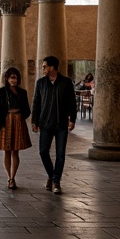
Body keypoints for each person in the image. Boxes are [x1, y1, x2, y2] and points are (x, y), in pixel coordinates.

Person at [31, 55, 77, 194]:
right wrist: (35, 121)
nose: (43, 69)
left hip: (61, 124)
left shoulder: (66, 82)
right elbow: (36, 103)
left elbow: (72, 102)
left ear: (52, 67)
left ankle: (56, 181)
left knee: (60, 154)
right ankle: (52, 176)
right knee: (43, 152)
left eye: (44, 66)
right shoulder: (40, 83)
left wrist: (72, 119)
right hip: (45, 123)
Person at [0, 67, 31, 189]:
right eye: (12, 77)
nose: (14, 80)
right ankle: (9, 177)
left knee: (15, 151)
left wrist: (20, 116)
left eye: (16, 77)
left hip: (18, 121)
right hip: (5, 122)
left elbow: (27, 109)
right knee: (6, 150)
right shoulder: (1, 92)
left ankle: (13, 176)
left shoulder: (22, 92)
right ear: (7, 78)